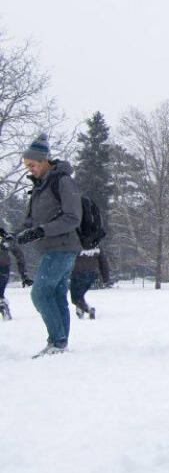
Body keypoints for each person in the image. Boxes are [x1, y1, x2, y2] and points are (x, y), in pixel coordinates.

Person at [16, 133, 82, 358]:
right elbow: (32, 222)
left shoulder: (62, 180)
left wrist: (42, 231)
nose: (29, 169)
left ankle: (57, 341)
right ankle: (59, 344)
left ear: (44, 161)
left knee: (41, 293)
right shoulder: (40, 186)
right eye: (27, 165)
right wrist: (16, 235)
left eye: (32, 164)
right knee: (56, 294)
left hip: (63, 247)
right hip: (52, 247)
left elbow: (73, 217)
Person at [69, 246, 111, 319]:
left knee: (75, 298)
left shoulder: (76, 240)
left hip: (78, 273)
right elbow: (103, 261)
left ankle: (88, 309)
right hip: (92, 273)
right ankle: (80, 310)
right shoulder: (95, 243)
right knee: (79, 294)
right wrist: (105, 277)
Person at [0, 227, 31, 321]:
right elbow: (19, 255)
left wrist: (24, 275)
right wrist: (24, 274)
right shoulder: (5, 236)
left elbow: (19, 255)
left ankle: (3, 305)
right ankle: (2, 305)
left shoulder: (4, 236)